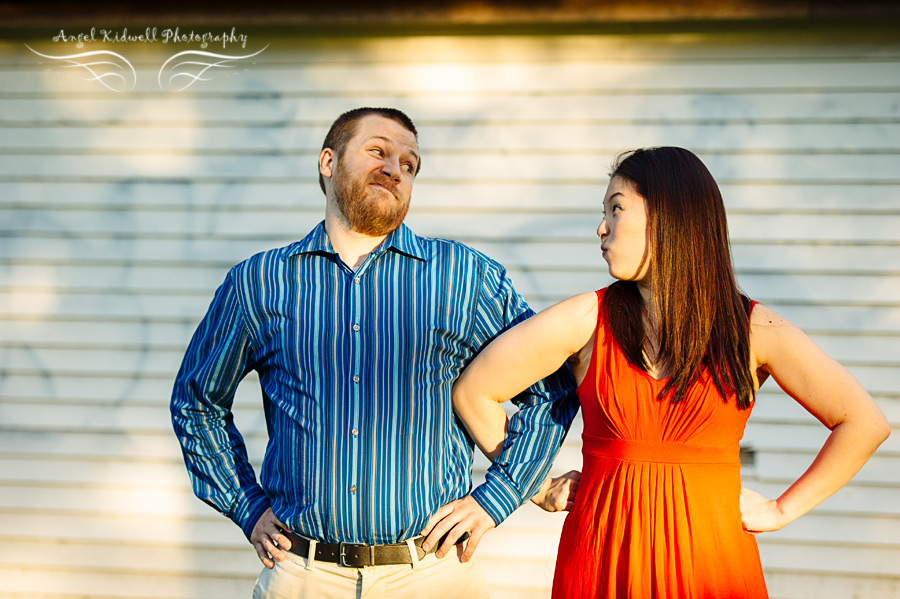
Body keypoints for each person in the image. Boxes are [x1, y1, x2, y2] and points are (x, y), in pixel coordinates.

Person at [170, 107, 578, 599]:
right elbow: (197, 403)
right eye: (378, 151)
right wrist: (246, 506)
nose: (395, 169)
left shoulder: (463, 278)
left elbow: (550, 390)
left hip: (432, 575)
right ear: (328, 161)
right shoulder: (259, 283)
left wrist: (498, 499)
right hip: (303, 574)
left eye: (410, 165)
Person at [451, 147, 891, 598]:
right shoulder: (585, 320)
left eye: (616, 208)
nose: (601, 228)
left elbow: (863, 422)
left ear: (667, 215)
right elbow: (473, 392)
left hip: (712, 566)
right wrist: (535, 485)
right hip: (604, 562)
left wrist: (781, 510)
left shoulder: (755, 330)